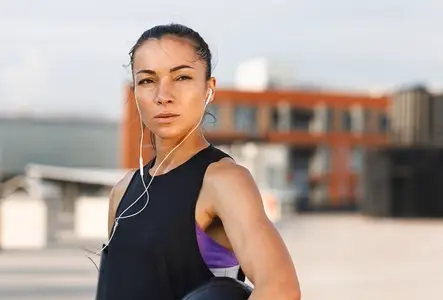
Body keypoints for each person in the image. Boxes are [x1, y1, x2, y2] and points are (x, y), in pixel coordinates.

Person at [99, 23, 301, 300]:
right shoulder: (121, 192)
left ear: (209, 89)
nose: (163, 96)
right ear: (135, 93)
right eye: (147, 80)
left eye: (181, 78)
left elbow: (280, 288)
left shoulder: (223, 180)